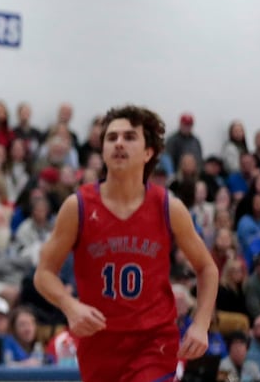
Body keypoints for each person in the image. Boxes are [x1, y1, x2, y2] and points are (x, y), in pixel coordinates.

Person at [35, 105, 219, 382]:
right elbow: (43, 274)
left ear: (149, 152)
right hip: (99, 343)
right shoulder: (79, 206)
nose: (119, 143)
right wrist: (69, 305)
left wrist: (201, 323)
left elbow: (207, 268)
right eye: (111, 137)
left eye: (130, 137)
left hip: (154, 340)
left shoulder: (168, 206)